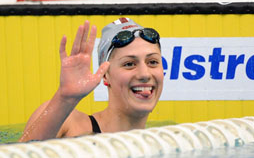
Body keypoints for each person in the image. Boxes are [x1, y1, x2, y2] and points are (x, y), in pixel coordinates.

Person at [19, 17, 164, 142]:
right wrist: (65, 98)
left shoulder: (163, 141)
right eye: (129, 64)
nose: (145, 74)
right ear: (106, 75)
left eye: (152, 62)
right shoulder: (71, 124)